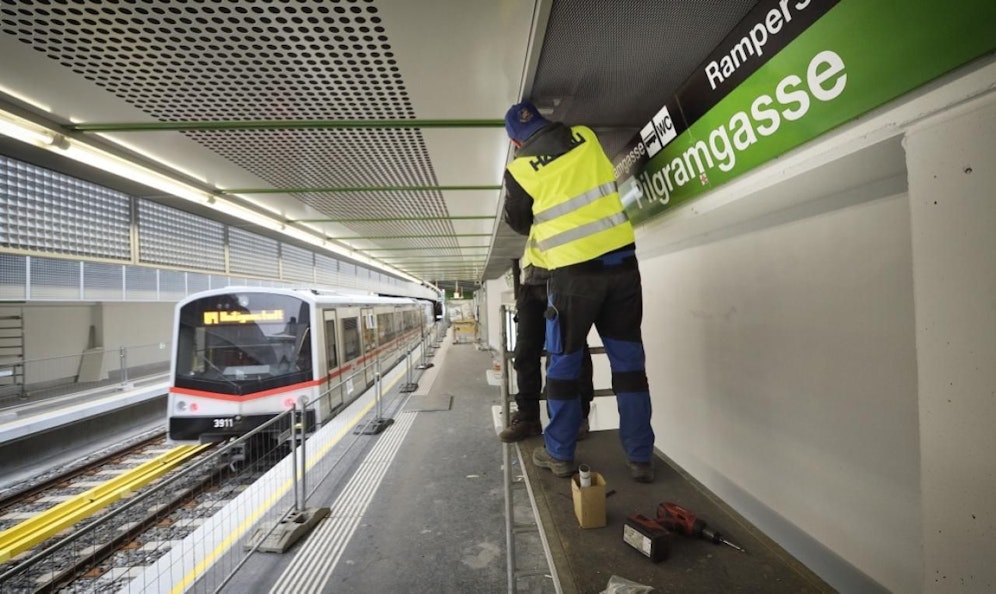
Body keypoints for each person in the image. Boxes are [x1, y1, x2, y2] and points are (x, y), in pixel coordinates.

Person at [502, 101, 655, 483]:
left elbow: (520, 223)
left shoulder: (519, 170)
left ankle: (560, 454)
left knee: (564, 367)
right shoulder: (584, 135)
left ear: (514, 142)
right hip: (623, 265)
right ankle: (640, 458)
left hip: (574, 277)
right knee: (630, 367)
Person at [498, 245, 594, 443]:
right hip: (532, 285)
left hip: (565, 282)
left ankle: (577, 417)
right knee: (525, 353)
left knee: (573, 351)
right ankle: (528, 418)